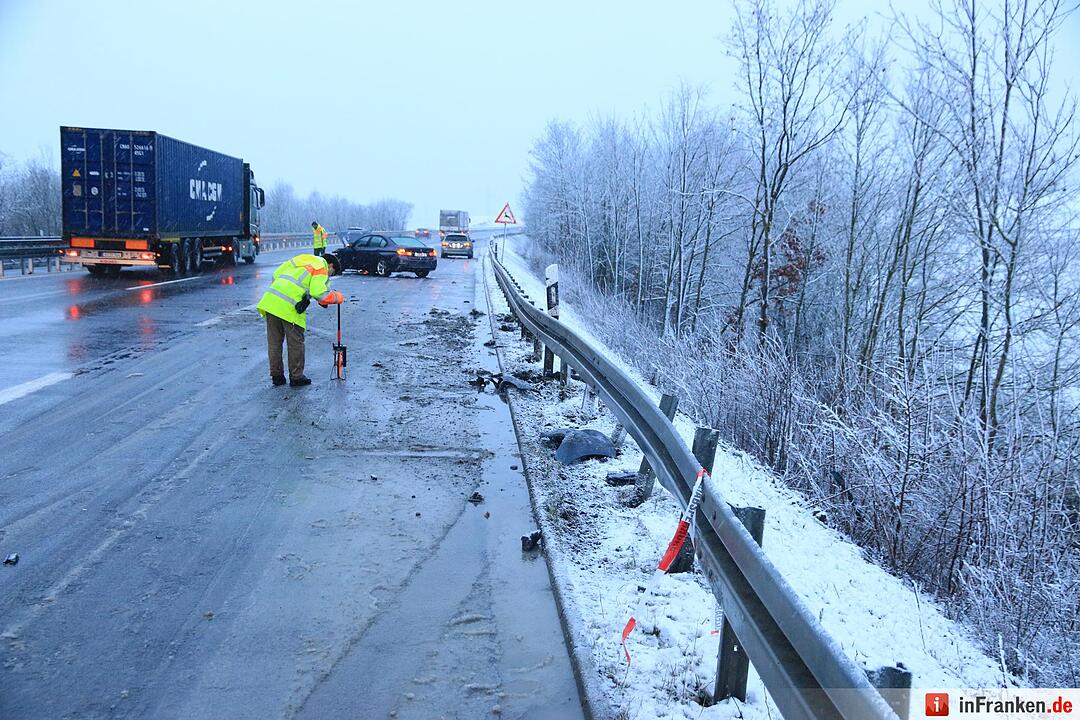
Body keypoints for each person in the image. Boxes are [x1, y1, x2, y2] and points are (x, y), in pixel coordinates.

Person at [256, 252, 344, 387]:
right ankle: (296, 377)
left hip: (271, 302)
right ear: (331, 265)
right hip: (290, 307)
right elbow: (319, 293)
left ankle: (277, 376)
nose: (328, 276)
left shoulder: (302, 258)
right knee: (295, 343)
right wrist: (337, 297)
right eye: (331, 274)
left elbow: (276, 275)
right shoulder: (321, 265)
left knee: (274, 343)